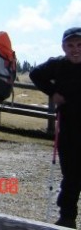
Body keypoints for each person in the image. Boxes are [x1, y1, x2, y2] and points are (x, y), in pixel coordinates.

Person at [30, 27, 81, 229]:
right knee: (71, 175)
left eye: (79, 45)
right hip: (68, 127)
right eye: (70, 45)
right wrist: (52, 92)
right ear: (63, 47)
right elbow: (35, 74)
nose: (75, 49)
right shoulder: (57, 65)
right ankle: (67, 218)